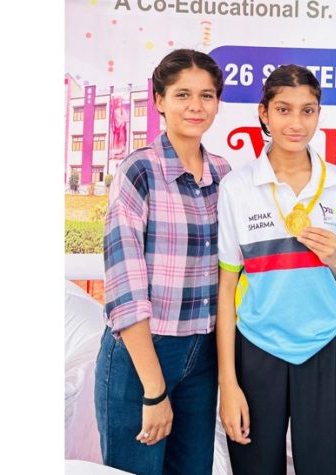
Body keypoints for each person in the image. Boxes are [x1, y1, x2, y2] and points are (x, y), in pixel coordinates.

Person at [216, 64, 336, 475]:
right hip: (257, 346)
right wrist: (229, 382)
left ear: (318, 114)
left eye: (308, 111)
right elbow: (227, 288)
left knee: (329, 466)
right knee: (256, 466)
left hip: (325, 344)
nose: (296, 123)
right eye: (283, 110)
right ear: (263, 112)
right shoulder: (238, 187)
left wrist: (333, 257)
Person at [95, 49, 231, 475]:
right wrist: (153, 390)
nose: (196, 106)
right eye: (182, 94)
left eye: (207, 96)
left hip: (203, 354)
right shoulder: (139, 171)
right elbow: (125, 287)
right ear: (159, 100)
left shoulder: (225, 174)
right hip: (143, 355)